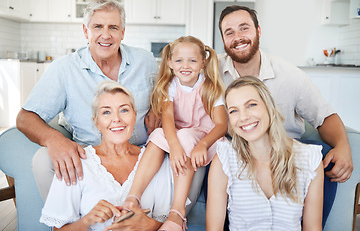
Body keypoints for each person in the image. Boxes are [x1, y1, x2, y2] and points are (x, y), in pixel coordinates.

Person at [217, 5, 352, 225]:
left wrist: (343, 146)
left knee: (325, 154)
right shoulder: (212, 70)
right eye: (229, 32)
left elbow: (324, 116)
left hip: (285, 148)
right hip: (238, 147)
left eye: (244, 28)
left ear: (258, 31)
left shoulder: (289, 75)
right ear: (222, 39)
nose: (238, 37)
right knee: (217, 159)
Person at [16, 0, 157, 201]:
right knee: (42, 160)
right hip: (90, 161)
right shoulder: (64, 69)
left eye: (113, 27)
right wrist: (54, 139)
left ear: (123, 32)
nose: (106, 35)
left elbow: (168, 93)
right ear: (85, 31)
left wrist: (158, 108)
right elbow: (25, 118)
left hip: (142, 157)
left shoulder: (146, 61)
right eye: (98, 26)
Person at [121, 36, 228, 231]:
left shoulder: (211, 87)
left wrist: (203, 144)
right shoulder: (169, 85)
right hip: (177, 133)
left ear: (203, 62)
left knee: (186, 136)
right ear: (170, 63)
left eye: (192, 60)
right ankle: (132, 197)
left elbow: (222, 125)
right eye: (179, 60)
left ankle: (177, 212)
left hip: (204, 136)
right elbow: (168, 118)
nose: (185, 66)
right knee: (156, 136)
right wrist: (175, 146)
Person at [39, 80, 173, 230]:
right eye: (106, 112)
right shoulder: (76, 162)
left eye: (124, 110)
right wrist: (87, 220)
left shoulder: (156, 160)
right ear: (96, 122)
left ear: (135, 116)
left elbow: (171, 223)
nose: (116, 119)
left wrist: (149, 225)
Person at [206, 76, 324, 230]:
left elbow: (313, 228)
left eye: (251, 105)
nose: (243, 117)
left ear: (269, 107)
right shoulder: (225, 159)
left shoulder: (309, 159)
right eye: (234, 111)